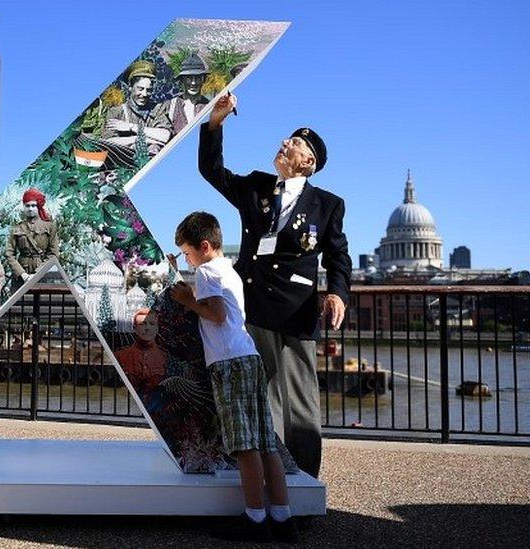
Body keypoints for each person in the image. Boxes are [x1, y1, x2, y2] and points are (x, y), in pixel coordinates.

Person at [198, 92, 352, 479]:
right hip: (251, 307)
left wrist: (336, 292)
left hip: (296, 310)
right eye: (287, 139)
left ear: (309, 161)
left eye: (295, 143)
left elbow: (338, 255)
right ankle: (265, 481)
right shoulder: (256, 187)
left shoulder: (327, 204)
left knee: (300, 404)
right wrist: (215, 123)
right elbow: (212, 171)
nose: (285, 143)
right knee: (258, 399)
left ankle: (302, 484)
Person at [170, 212, 297, 542]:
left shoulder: (208, 272)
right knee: (265, 443)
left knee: (243, 446)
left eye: (187, 253)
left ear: (204, 246)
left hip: (228, 363)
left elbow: (216, 313)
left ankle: (255, 518)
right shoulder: (227, 269)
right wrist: (175, 272)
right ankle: (282, 517)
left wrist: (186, 299)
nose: (187, 260)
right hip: (249, 357)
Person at [102, 60, 172, 154]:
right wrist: (140, 139)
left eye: (149, 90)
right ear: (130, 87)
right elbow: (108, 141)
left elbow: (165, 136)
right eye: (140, 89)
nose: (144, 94)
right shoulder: (116, 111)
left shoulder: (157, 108)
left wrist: (131, 127)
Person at [5, 188, 59, 295]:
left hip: (42, 273)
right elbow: (9, 254)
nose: (30, 209)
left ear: (38, 207)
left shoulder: (49, 226)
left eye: (33, 206)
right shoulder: (17, 227)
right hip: (21, 276)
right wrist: (22, 274)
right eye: (27, 206)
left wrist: (37, 273)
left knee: (42, 306)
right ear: (24, 207)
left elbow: (53, 254)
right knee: (19, 307)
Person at [113, 308, 165, 401]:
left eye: (152, 324)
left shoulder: (166, 358)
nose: (147, 328)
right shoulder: (119, 356)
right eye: (142, 324)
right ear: (135, 328)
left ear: (157, 328)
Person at [163, 52, 211, 135]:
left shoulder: (209, 106)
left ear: (203, 80)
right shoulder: (170, 106)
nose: (193, 83)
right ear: (182, 80)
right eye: (189, 78)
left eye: (197, 78)